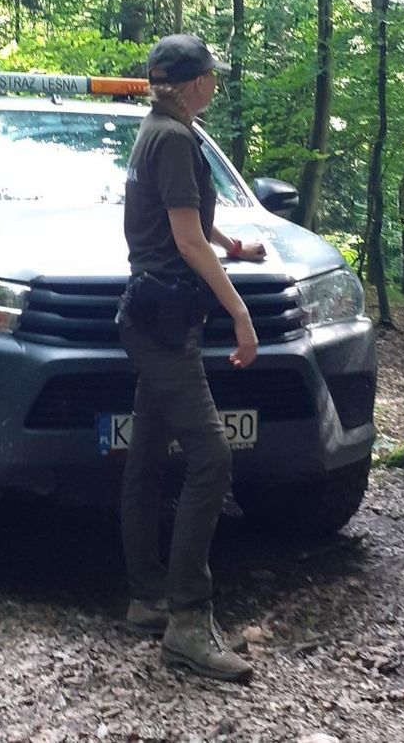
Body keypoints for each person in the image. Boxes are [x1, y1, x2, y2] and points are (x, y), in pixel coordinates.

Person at [117, 34, 266, 683]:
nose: (216, 84)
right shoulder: (174, 137)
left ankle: (146, 593)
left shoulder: (162, 130)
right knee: (212, 457)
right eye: (211, 76)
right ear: (191, 83)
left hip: (153, 317)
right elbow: (182, 240)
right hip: (163, 322)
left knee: (149, 455)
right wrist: (239, 310)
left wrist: (233, 243)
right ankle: (185, 620)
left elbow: (189, 220)